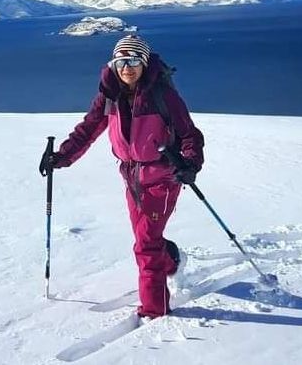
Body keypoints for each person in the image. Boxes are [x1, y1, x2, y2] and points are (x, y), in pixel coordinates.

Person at [39, 34, 204, 319]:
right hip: (131, 178)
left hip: (164, 176)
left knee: (145, 244)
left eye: (134, 61)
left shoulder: (163, 96)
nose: (127, 67)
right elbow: (89, 128)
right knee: (145, 237)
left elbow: (190, 134)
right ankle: (171, 259)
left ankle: (155, 310)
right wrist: (62, 156)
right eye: (121, 61)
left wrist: (190, 164)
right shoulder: (109, 95)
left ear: (144, 63)